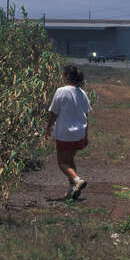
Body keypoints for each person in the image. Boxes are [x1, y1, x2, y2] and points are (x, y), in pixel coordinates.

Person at [45, 65, 91, 200]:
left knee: (62, 163)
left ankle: (77, 180)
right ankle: (72, 190)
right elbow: (86, 116)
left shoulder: (61, 91)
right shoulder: (82, 93)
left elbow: (54, 112)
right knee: (70, 160)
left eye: (63, 74)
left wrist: (48, 127)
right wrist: (86, 135)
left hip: (65, 134)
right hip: (79, 134)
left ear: (67, 76)